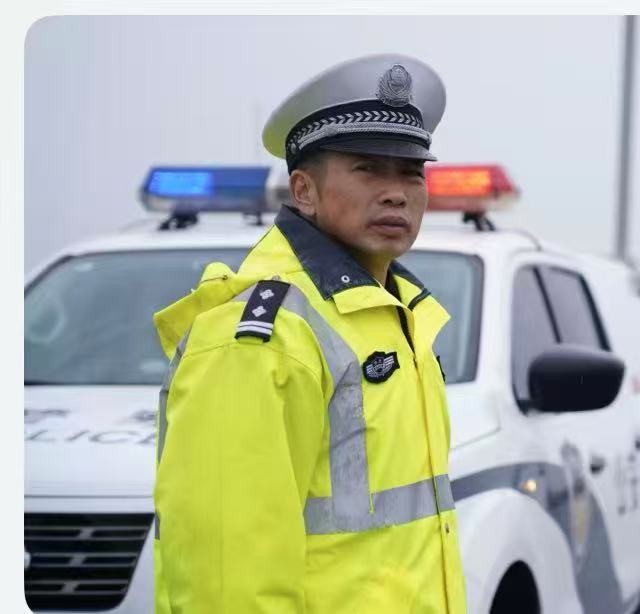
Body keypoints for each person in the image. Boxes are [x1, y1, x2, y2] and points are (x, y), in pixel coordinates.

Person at [152, 53, 467, 614]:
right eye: (368, 169)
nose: (396, 192)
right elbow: (227, 579)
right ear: (304, 191)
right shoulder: (262, 335)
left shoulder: (399, 317)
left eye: (410, 173)